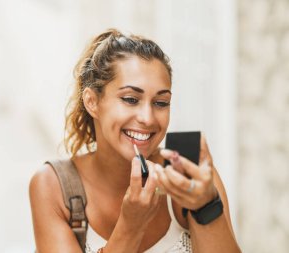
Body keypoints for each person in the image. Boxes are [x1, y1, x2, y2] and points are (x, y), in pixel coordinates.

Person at [29, 28, 241, 253]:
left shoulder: (187, 172)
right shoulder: (53, 186)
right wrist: (130, 226)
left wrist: (206, 205)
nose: (148, 118)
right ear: (92, 101)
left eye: (161, 102)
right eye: (130, 99)